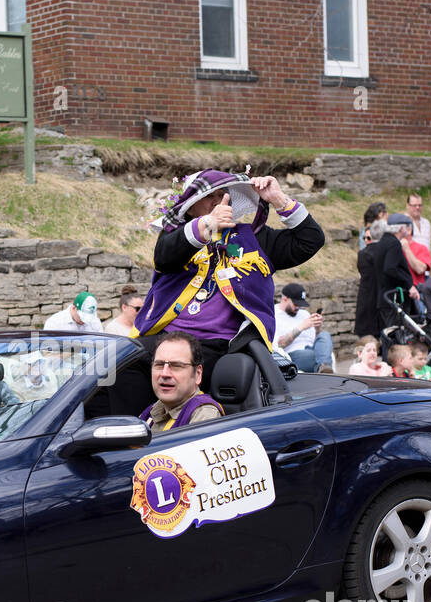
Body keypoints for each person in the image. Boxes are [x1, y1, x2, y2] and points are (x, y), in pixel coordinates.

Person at [131, 170, 324, 398]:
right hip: (167, 335)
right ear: (190, 206)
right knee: (119, 362)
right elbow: (164, 257)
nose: (217, 200)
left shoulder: (254, 238)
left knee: (186, 368)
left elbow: (310, 240)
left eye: (222, 194)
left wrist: (278, 199)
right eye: (208, 196)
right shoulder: (178, 236)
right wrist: (207, 225)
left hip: (220, 343)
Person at [139, 332, 223, 431]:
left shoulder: (205, 414)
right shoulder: (151, 411)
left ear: (198, 374)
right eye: (159, 365)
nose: (164, 373)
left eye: (176, 366)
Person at [354, 217, 416, 338]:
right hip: (386, 295)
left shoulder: (377, 247)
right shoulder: (391, 245)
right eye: (365, 238)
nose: (367, 241)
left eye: (368, 238)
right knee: (392, 333)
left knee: (387, 333)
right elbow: (390, 269)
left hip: (378, 296)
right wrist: (408, 283)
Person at [274, 282, 333, 373]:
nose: (299, 307)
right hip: (292, 354)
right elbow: (279, 345)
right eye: (296, 304)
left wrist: (317, 328)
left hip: (311, 349)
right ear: (284, 299)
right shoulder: (274, 315)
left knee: (325, 335)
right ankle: (324, 366)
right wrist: (301, 327)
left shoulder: (304, 313)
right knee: (321, 356)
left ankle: (324, 367)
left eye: (300, 304)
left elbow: (316, 340)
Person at [394, 213, 431, 288]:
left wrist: (406, 249)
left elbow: (420, 269)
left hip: (415, 291)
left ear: (409, 230)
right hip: (395, 290)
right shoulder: (393, 247)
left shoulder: (421, 248)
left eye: (399, 228)